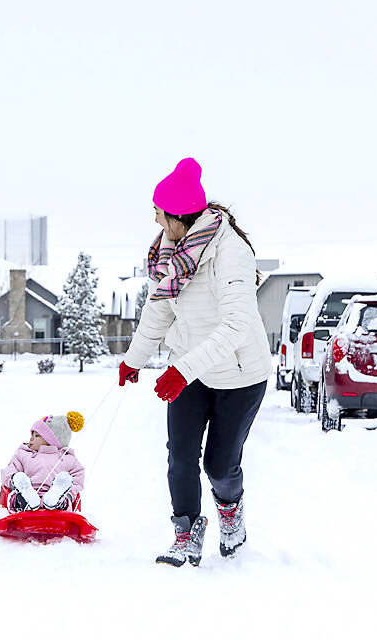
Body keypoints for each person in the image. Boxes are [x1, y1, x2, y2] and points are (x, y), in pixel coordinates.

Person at [118, 157, 273, 567]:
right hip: (189, 369)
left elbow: (237, 324)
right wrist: (133, 359)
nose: (154, 219)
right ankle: (186, 532)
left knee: (219, 465)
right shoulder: (169, 252)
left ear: (178, 215)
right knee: (180, 457)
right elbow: (160, 310)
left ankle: (230, 510)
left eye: (159, 212)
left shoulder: (230, 252)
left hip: (239, 374)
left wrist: (181, 370)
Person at [0, 411, 86, 512]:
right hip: (26, 497)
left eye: (36, 436)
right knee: (19, 492)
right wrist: (15, 480)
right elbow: (9, 471)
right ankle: (25, 495)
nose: (31, 438)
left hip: (57, 509)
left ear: (50, 440)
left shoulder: (66, 458)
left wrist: (70, 493)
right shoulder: (24, 454)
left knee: (64, 491)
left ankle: (57, 496)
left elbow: (78, 477)